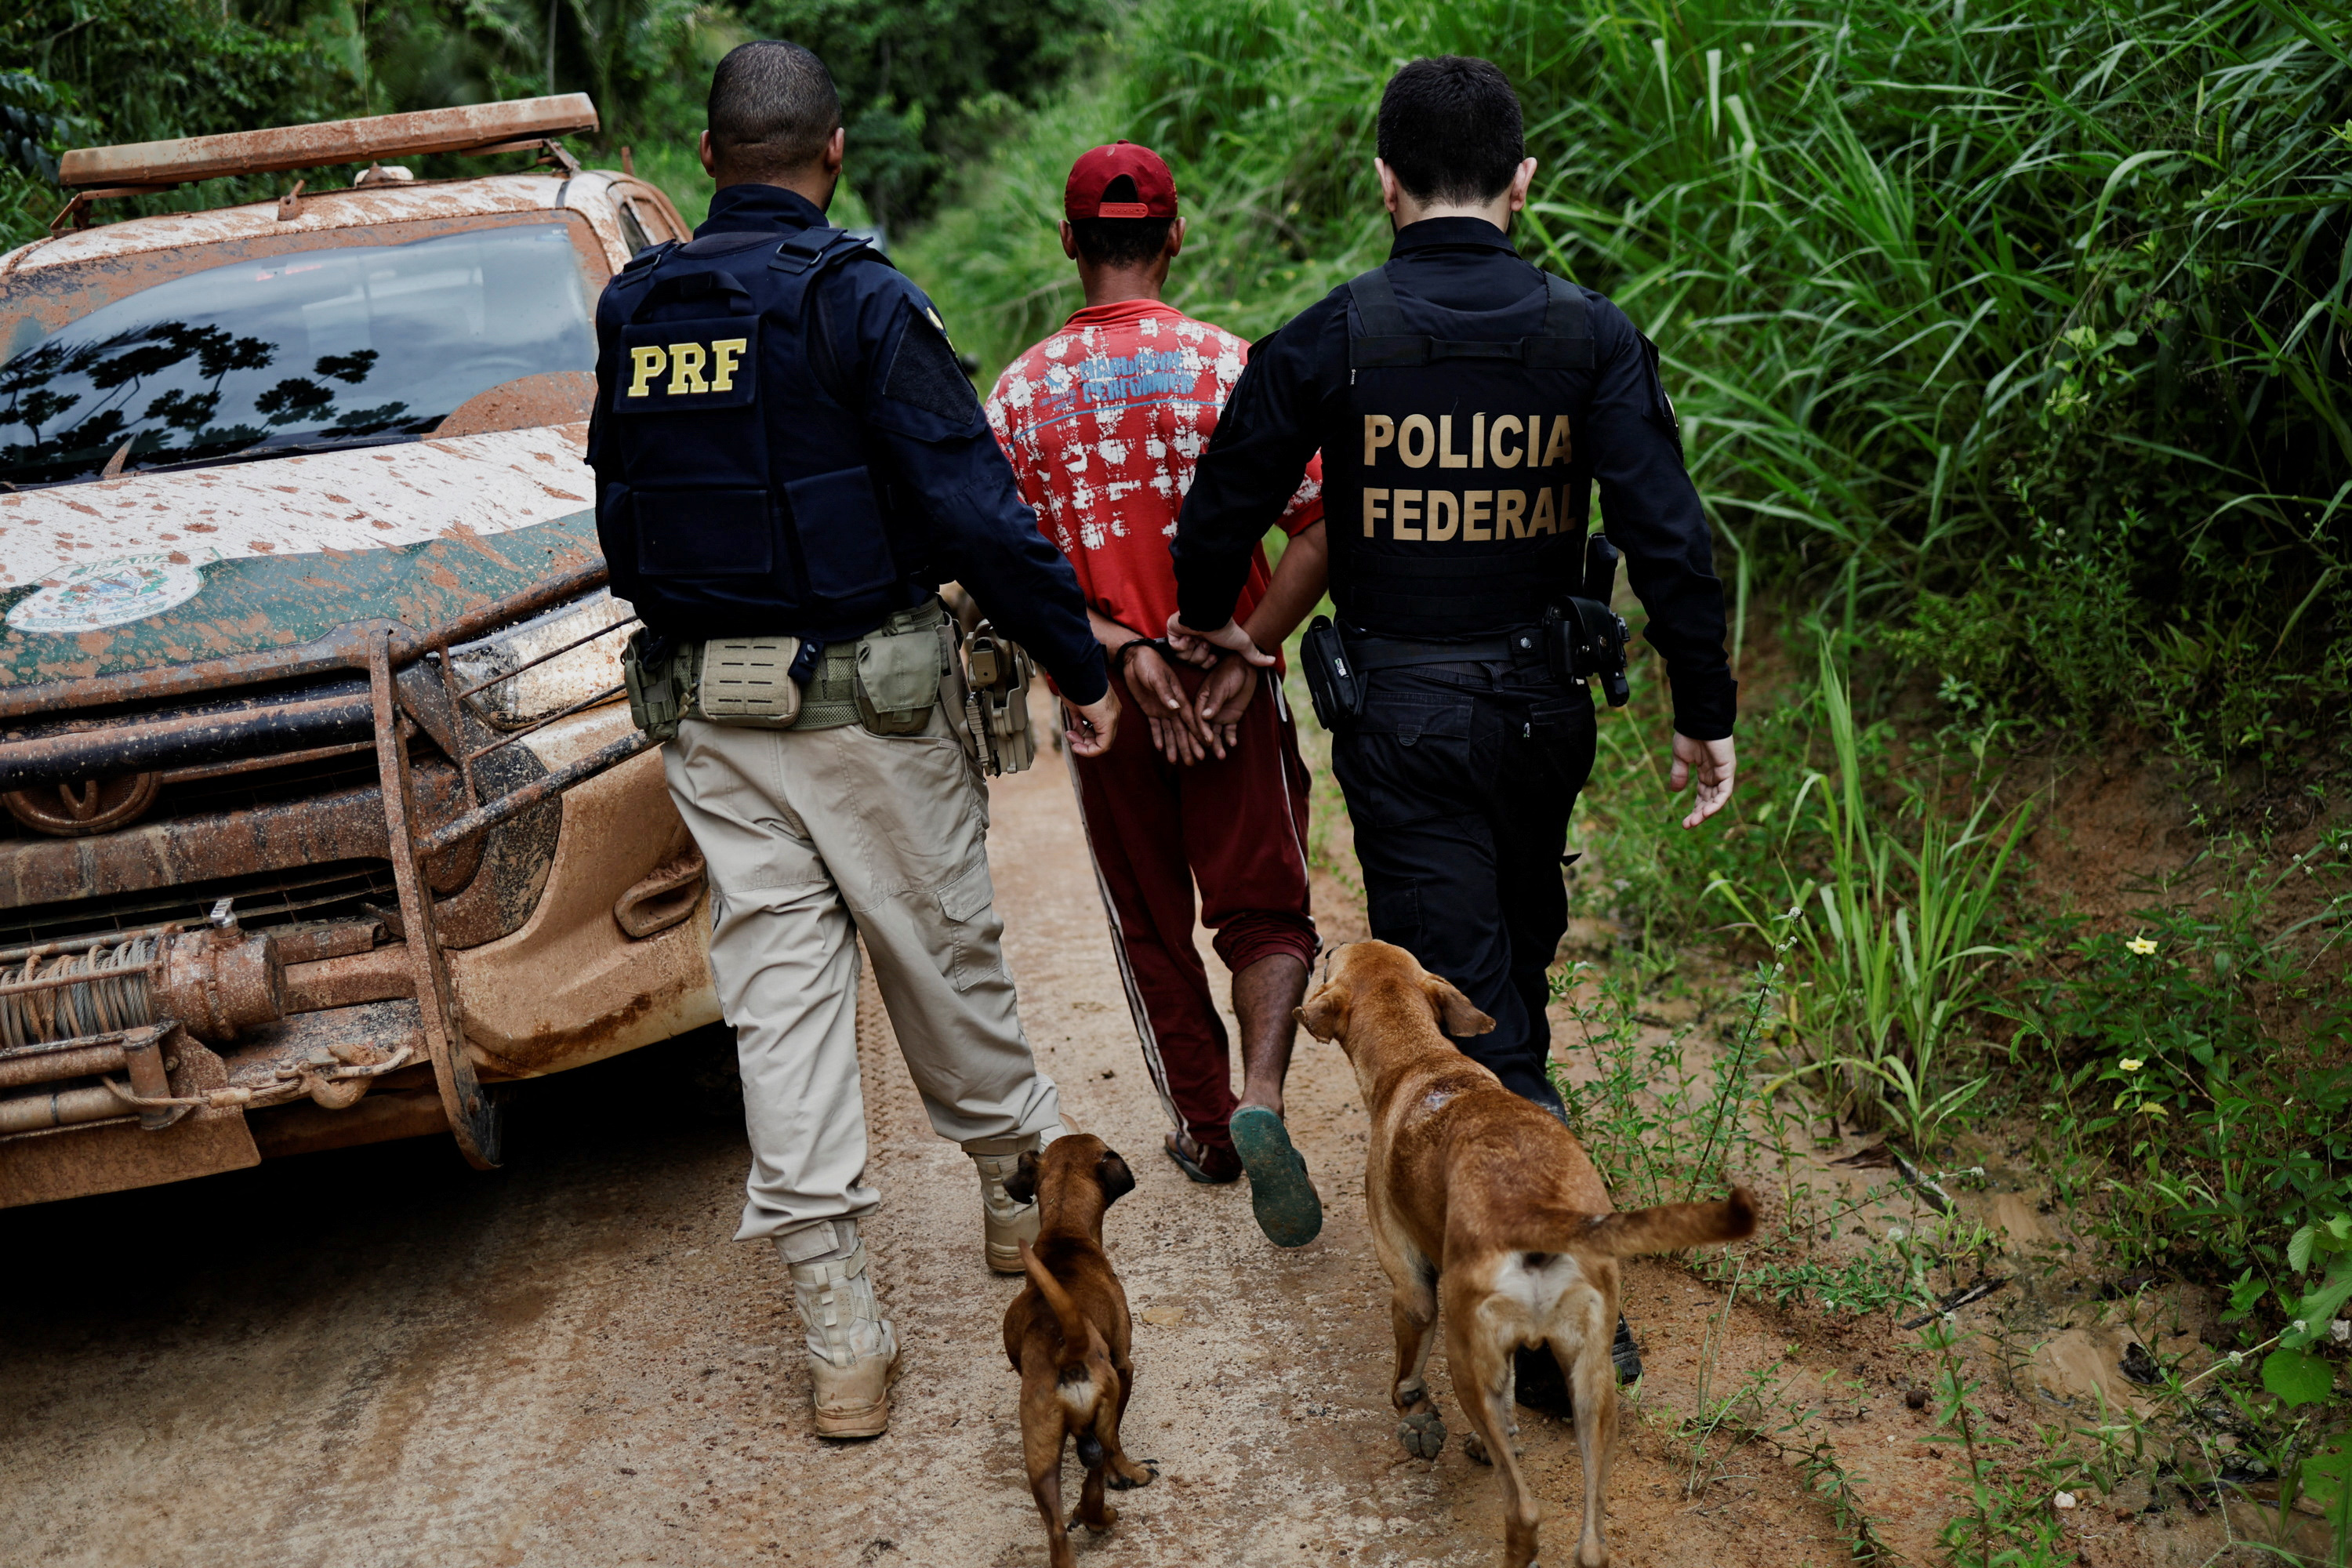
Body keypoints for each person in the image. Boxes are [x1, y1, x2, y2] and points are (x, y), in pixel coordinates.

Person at [1165, 56, 1738, 1399]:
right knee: (1502, 979)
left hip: (1405, 713)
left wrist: (1209, 636)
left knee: (1494, 990)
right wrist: (1702, 707)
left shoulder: (1333, 335)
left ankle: (1536, 1284)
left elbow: (1222, 504)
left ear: (1385, 183)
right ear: (1523, 185)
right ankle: (1552, 1310)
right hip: (1543, 712)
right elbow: (1670, 536)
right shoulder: (1588, 334)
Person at [586, 39, 1120, 1441]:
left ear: (708, 162)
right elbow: (975, 511)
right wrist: (1079, 661)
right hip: (868, 712)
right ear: (834, 154)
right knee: (944, 959)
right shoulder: (862, 300)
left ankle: (844, 1340)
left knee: (780, 1011)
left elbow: (623, 518)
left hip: (711, 716)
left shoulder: (637, 305)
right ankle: (1020, 1202)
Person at [984, 142, 1330, 1247]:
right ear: (1175, 235)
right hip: (1234, 697)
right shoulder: (1234, 369)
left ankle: (1212, 1127)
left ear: (1069, 242)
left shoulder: (1018, 395)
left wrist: (1121, 653)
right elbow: (1321, 529)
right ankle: (1267, 1094)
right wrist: (1246, 657)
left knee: (1152, 922)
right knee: (1266, 906)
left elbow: (1003, 573)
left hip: (1107, 707)